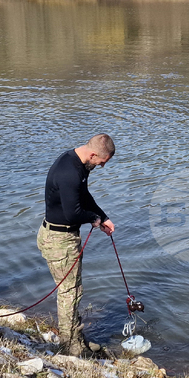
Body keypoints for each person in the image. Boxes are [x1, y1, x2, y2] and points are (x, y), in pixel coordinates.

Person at [38, 134, 116, 356]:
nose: (101, 166)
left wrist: (103, 216)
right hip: (58, 241)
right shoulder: (69, 172)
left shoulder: (80, 164)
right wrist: (93, 219)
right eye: (101, 162)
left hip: (65, 238)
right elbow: (72, 214)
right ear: (93, 154)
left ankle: (76, 337)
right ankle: (70, 346)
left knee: (74, 290)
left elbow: (84, 195)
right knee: (69, 292)